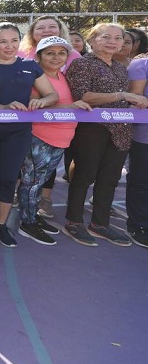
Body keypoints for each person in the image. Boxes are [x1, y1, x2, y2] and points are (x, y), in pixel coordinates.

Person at [63, 23, 148, 246]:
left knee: (109, 179)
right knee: (84, 175)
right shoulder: (82, 64)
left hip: (121, 130)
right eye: (106, 37)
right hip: (92, 129)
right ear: (92, 40)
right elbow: (82, 95)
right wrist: (121, 95)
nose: (113, 42)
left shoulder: (121, 68)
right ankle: (74, 222)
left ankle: (100, 224)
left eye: (118, 38)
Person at [0, 22, 58, 247]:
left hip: (18, 134)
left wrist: (40, 101)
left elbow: (52, 95)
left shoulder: (30, 65)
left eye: (14, 40)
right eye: (3, 41)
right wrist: (2, 107)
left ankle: (0, 225)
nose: (9, 46)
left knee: (8, 179)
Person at [15, 36, 91, 246]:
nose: (56, 57)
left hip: (61, 139)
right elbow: (33, 107)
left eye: (61, 53)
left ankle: (33, 217)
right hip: (39, 138)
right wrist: (72, 107)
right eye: (50, 53)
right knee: (31, 183)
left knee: (39, 183)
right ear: (38, 56)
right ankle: (27, 223)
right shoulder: (32, 77)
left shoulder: (63, 76)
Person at [126, 52, 148, 248]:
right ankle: (138, 225)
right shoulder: (141, 64)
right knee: (141, 182)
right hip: (144, 135)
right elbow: (137, 98)